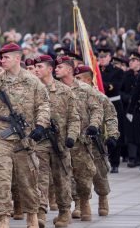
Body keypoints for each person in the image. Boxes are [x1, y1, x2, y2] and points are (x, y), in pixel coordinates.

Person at [0, 43, 50, 228]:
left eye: (6, 57)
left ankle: (32, 215)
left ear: (17, 58)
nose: (2, 61)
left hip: (26, 139)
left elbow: (44, 105)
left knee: (28, 180)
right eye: (2, 57)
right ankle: (3, 218)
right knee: (1, 181)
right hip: (2, 138)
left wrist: (40, 126)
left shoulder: (32, 81)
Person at [33, 55, 80, 227]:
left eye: (40, 67)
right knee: (39, 178)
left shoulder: (65, 91)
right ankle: (40, 213)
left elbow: (74, 118)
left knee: (62, 179)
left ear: (50, 69)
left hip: (60, 144)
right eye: (35, 67)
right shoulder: (33, 89)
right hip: (39, 143)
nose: (36, 70)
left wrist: (71, 137)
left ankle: (64, 211)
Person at [54, 56, 102, 221]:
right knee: (63, 176)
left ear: (69, 69)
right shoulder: (53, 89)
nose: (55, 69)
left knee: (83, 174)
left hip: (81, 140)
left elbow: (96, 109)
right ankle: (68, 208)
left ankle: (84, 202)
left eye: (59, 67)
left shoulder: (85, 89)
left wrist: (94, 125)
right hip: (60, 140)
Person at [74, 65, 120, 217]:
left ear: (87, 79)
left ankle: (103, 198)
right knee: (78, 175)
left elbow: (111, 117)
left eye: (78, 78)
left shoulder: (100, 97)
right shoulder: (72, 95)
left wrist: (112, 136)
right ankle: (81, 203)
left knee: (100, 174)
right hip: (78, 141)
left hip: (95, 141)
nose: (76, 81)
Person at [97, 48, 125, 173]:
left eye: (104, 56)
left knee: (114, 132)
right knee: (100, 133)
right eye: (100, 57)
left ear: (110, 57)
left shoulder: (118, 71)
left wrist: (100, 84)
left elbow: (113, 87)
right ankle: (102, 160)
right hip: (99, 104)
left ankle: (115, 162)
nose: (102, 59)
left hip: (113, 104)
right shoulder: (95, 70)